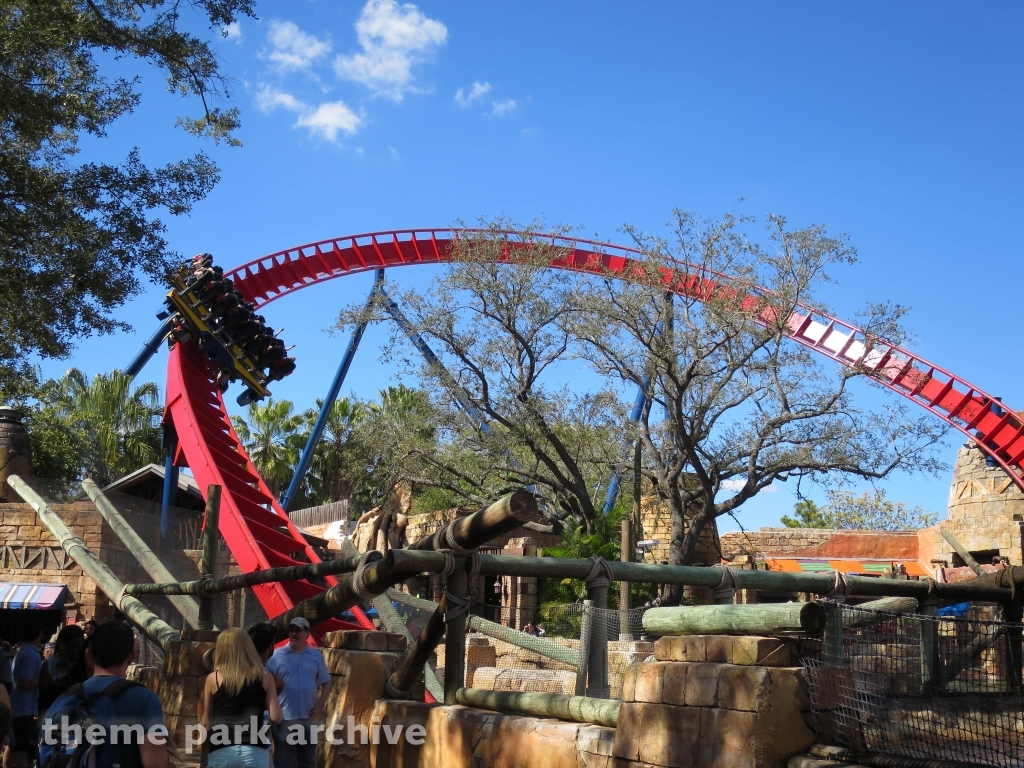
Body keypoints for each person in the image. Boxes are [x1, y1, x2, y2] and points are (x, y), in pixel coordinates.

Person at [41, 621, 166, 768]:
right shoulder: (144, 700)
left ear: (89, 655)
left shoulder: (64, 698)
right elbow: (155, 764)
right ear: (131, 658)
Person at [201, 629, 282, 768]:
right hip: (254, 750)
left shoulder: (213, 678)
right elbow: (276, 717)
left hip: (221, 750)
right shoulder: (265, 676)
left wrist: (203, 759)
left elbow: (206, 725)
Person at [265, 618, 330, 768]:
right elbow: (265, 682)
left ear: (307, 633)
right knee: (282, 762)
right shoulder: (276, 656)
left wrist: (320, 706)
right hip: (284, 718)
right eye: (291, 630)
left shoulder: (316, 656)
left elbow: (327, 682)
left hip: (309, 717)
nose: (293, 633)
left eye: (298, 630)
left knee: (307, 761)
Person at [4, 619, 43, 768]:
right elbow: (24, 682)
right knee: (21, 749)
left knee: (12, 745)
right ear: (40, 634)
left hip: (20, 706)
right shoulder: (30, 654)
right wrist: (43, 681)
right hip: (23, 707)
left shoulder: (24, 651)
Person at [38, 625, 87, 713]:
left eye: (78, 647)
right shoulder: (50, 664)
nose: (75, 651)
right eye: (71, 646)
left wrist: (65, 660)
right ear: (62, 644)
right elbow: (43, 695)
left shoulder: (85, 663)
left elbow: (80, 677)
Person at [246, 625, 285, 693]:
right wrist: (279, 687)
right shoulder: (264, 677)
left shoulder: (238, 671)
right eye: (273, 643)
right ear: (270, 647)